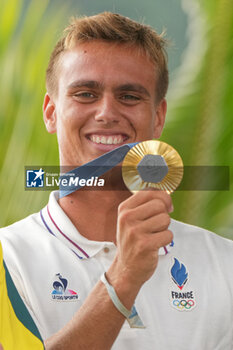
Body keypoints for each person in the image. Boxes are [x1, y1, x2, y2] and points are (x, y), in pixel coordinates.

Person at [1, 12, 233, 350]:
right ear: (51, 113)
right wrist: (124, 276)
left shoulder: (224, 263)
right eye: (85, 94)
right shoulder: (8, 257)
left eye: (129, 97)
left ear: (158, 118)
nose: (107, 113)